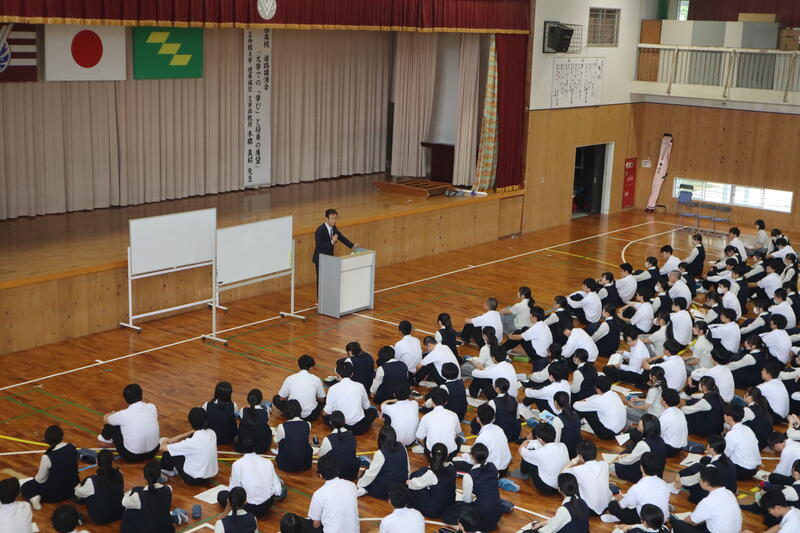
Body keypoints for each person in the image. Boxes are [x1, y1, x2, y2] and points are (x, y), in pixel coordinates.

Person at [442, 443, 503, 532]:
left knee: (449, 512)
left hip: (481, 517)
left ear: (472, 457)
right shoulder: (492, 466)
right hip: (496, 515)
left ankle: (461, 529)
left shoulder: (470, 476)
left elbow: (467, 500)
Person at [97, 383, 160, 462]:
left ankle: (105, 438)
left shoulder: (123, 414)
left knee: (113, 424)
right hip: (153, 452)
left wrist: (111, 414)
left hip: (132, 456)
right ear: (141, 394)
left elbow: (105, 419)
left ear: (125, 399)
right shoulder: (152, 407)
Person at [224, 434, 284, 517]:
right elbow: (278, 491)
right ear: (255, 446)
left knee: (222, 495)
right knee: (279, 487)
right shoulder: (267, 462)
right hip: (266, 506)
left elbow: (234, 491)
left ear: (241, 447)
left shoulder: (237, 465)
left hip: (248, 507)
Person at [21, 425, 78, 509]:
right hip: (72, 488)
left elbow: (40, 479)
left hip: (56, 494)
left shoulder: (47, 457)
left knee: (25, 487)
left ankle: (35, 498)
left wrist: (34, 480)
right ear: (62, 436)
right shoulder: (72, 447)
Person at [604, 453, 671, 525]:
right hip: (663, 519)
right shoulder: (664, 483)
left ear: (641, 467)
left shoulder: (637, 487)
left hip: (647, 522)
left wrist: (619, 499)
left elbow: (622, 506)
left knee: (612, 505)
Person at [670, 467, 741, 533]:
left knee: (676, 523)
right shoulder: (729, 493)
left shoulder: (708, 501)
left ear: (705, 483)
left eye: (700, 479)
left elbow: (692, 522)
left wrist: (681, 520)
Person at [159, 407, 218, 485]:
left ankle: (168, 470)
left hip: (193, 479)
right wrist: (186, 434)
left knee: (168, 451)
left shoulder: (190, 443)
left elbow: (163, 448)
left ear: (190, 422)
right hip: (209, 476)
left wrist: (166, 440)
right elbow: (194, 433)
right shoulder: (212, 433)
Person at [675, 434, 737, 504]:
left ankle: (676, 486)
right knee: (701, 464)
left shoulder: (712, 466)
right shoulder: (727, 459)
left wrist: (680, 480)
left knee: (695, 485)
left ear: (711, 449)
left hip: (719, 496)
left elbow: (696, 480)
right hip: (730, 492)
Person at [513, 423, 570, 495]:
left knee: (527, 457)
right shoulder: (563, 445)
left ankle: (523, 473)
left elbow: (521, 450)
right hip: (562, 486)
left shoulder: (541, 453)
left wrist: (524, 442)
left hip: (547, 489)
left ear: (540, 439)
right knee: (536, 459)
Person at [308, 454, 359, 533]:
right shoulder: (351, 485)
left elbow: (316, 524)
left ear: (320, 475)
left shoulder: (319, 494)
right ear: (337, 470)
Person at [323, 360, 377, 435]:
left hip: (340, 425)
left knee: (325, 416)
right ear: (352, 374)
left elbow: (327, 411)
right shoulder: (360, 386)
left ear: (337, 374)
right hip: (358, 428)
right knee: (373, 411)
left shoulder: (332, 388)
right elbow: (366, 406)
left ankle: (341, 429)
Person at [121, 461, 174, 533]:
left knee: (128, 512)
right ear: (159, 475)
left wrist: (130, 492)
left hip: (149, 529)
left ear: (144, 476)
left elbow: (124, 502)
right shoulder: (169, 489)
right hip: (166, 529)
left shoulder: (139, 495)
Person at [357, 426, 410, 499]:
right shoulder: (402, 446)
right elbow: (407, 467)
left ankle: (364, 489)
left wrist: (360, 483)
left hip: (387, 489)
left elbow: (371, 474)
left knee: (368, 474)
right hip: (401, 484)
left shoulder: (380, 454)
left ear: (380, 439)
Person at [73, 449, 124, 525]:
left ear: (97, 461)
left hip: (101, 518)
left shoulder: (93, 480)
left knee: (82, 495)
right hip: (119, 514)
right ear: (112, 462)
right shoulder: (119, 474)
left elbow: (78, 493)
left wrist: (79, 485)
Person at [407, 443, 457, 518]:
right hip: (450, 505)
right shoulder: (452, 467)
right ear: (448, 455)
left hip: (434, 511)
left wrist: (406, 482)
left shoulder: (431, 474)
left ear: (431, 455)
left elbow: (413, 484)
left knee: (414, 488)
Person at [612, 414, 666, 483]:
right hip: (657, 474)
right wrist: (626, 455)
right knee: (627, 452)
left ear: (646, 427)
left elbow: (628, 461)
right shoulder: (660, 439)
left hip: (646, 474)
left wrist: (617, 461)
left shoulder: (644, 444)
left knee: (619, 465)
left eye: (641, 421)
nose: (638, 422)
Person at [563, 440, 612, 517]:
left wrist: (574, 461)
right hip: (607, 504)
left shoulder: (578, 470)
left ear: (580, 456)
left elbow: (562, 474)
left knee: (571, 483)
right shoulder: (604, 464)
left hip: (590, 510)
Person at [459, 404, 511, 475]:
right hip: (504, 468)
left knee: (456, 462)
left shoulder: (482, 437)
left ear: (478, 419)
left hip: (492, 471)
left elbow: (474, 459)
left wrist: (462, 455)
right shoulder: (499, 429)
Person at [274, 354, 326, 421]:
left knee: (276, 398)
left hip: (292, 413)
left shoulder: (290, 378)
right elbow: (322, 399)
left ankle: (290, 413)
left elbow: (282, 398)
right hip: (310, 416)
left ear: (298, 366)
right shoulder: (316, 379)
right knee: (325, 399)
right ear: (311, 368)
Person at [312, 208, 357, 283]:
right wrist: (332, 242)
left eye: (335, 218)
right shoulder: (320, 230)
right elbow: (319, 246)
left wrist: (352, 245)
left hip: (329, 258)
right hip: (321, 260)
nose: (334, 221)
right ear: (326, 219)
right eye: (332, 219)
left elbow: (340, 237)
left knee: (329, 280)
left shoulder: (334, 227)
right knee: (321, 281)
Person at [415, 388, 462, 456]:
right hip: (450, 453)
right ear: (446, 402)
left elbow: (420, 438)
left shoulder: (426, 417)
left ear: (431, 401)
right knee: (459, 438)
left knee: (424, 435)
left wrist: (426, 446)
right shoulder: (453, 415)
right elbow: (457, 433)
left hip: (432, 454)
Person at [722, 404, 761, 480]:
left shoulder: (732, 434)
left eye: (725, 414)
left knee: (713, 460)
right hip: (754, 469)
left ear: (729, 418)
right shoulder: (748, 429)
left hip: (742, 471)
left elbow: (725, 454)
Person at [318, 411, 359, 481]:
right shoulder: (351, 433)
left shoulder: (328, 439)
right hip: (353, 472)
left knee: (323, 461)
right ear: (344, 421)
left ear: (330, 422)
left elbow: (321, 455)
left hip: (338, 475)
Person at [274, 400, 313, 473]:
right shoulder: (308, 424)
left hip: (287, 464)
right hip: (305, 463)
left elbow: (276, 440)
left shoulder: (282, 427)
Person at [235, 388, 272, 454]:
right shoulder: (266, 411)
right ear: (261, 400)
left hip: (245, 444)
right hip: (260, 447)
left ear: (248, 400)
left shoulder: (243, 410)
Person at [486, 377, 522, 442]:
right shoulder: (514, 399)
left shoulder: (492, 402)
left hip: (501, 435)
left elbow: (491, 420)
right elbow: (517, 417)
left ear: (497, 389)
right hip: (514, 434)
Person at [203, 381, 238, 445]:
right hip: (228, 438)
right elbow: (235, 418)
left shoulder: (206, 405)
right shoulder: (234, 405)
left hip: (211, 437)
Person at [658, 389, 688, 457]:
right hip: (680, 448)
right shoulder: (680, 412)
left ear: (664, 401)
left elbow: (657, 433)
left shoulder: (665, 417)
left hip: (669, 449)